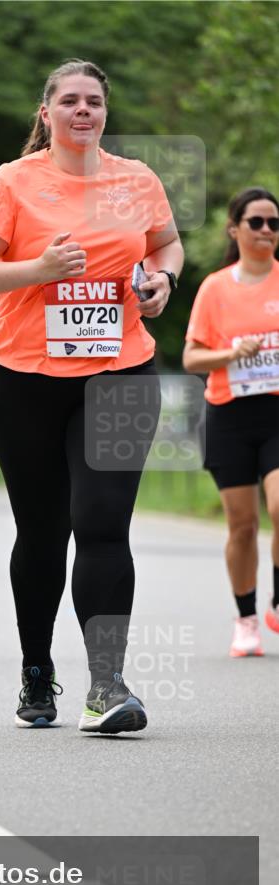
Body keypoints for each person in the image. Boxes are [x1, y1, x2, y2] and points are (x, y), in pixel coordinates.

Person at [0, 59, 183, 732]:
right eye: (70, 102)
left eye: (93, 102)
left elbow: (166, 247)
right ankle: (34, 667)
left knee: (104, 524)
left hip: (119, 372)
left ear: (104, 113)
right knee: (42, 530)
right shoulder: (11, 183)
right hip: (23, 380)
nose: (83, 111)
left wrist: (161, 281)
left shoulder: (135, 180)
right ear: (45, 113)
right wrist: (38, 269)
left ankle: (106, 686)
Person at [183, 187, 279, 656]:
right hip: (229, 414)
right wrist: (231, 353)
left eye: (274, 224)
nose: (266, 231)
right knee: (242, 525)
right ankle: (245, 620)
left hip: (277, 412)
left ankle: (277, 598)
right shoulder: (215, 288)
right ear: (234, 228)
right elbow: (190, 357)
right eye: (257, 222)